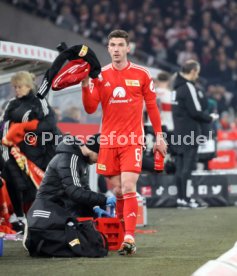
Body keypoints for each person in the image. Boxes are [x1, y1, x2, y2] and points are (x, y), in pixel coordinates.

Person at [82, 29, 167, 255]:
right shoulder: (100, 76)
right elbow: (90, 108)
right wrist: (84, 84)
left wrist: (159, 136)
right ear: (108, 48)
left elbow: (152, 106)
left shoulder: (141, 74)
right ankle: (122, 234)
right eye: (113, 45)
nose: (117, 49)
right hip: (108, 141)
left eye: (121, 45)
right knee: (118, 190)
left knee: (129, 186)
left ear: (128, 48)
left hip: (132, 140)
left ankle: (129, 237)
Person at [24, 134, 116, 257]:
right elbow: (75, 192)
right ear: (94, 149)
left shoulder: (82, 160)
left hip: (64, 205)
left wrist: (95, 207)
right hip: (49, 207)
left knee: (87, 238)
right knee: (81, 243)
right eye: (101, 157)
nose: (99, 161)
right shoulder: (69, 158)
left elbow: (84, 189)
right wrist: (104, 200)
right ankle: (31, 234)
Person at [0, 71, 59, 232]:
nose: (16, 90)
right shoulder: (11, 103)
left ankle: (36, 220)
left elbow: (50, 124)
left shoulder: (39, 101)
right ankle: (19, 217)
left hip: (38, 152)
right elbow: (3, 125)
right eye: (15, 87)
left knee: (33, 188)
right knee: (12, 181)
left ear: (28, 86)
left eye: (19, 87)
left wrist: (26, 128)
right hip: (15, 151)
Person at [172, 60, 219, 208]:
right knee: (188, 166)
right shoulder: (188, 86)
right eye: (197, 72)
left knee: (180, 167)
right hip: (190, 132)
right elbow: (196, 111)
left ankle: (181, 198)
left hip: (178, 132)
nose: (197, 76)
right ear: (192, 71)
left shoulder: (176, 88)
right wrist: (210, 118)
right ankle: (186, 199)